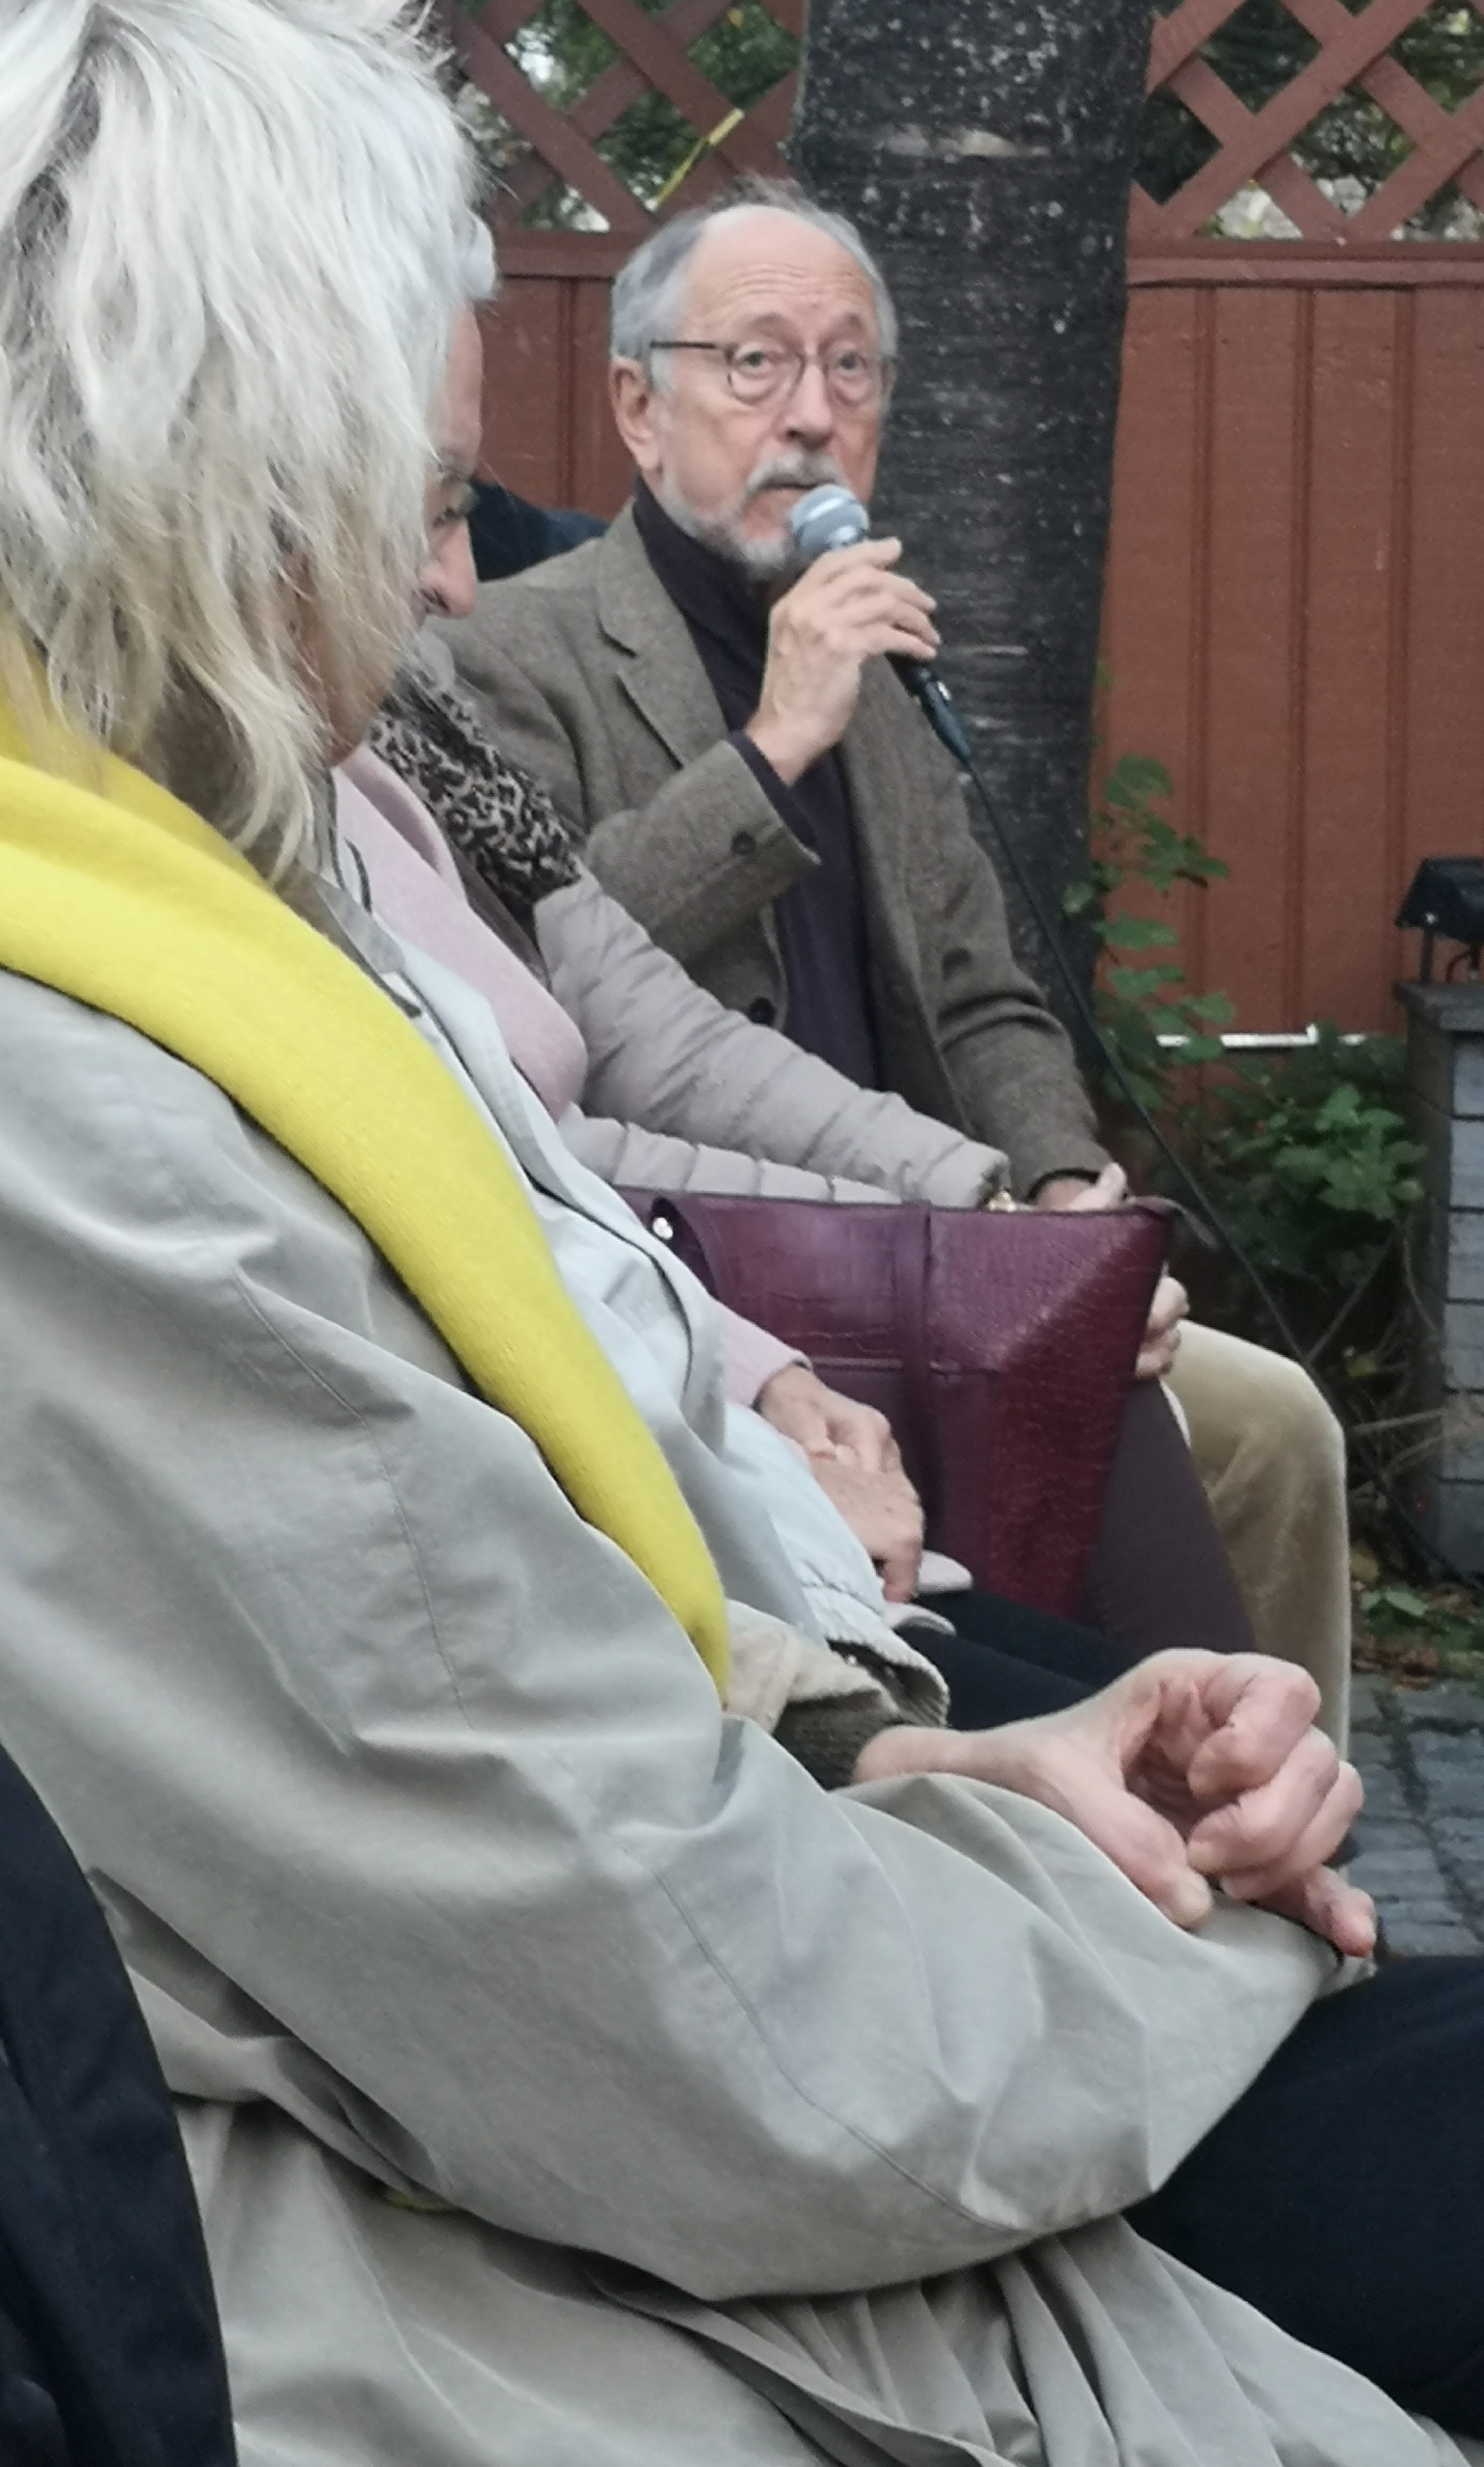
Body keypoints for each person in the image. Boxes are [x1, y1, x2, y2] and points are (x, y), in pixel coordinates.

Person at [0, 7, 1479, 2462]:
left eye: (849, 364)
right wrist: (1131, 1876)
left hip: (660, 1800)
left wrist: (1020, 1198)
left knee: (1218, 1439)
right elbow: (696, 2006)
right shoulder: (198, 950)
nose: (426, 570)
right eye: (408, 489)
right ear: (243, 480)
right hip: (455, 2232)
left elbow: (888, 1009)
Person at [439, 177, 1353, 1747]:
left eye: (850, 368)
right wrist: (771, 744)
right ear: (638, 409)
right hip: (715, 1260)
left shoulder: (877, 657)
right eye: (756, 363)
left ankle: (1282, 1806)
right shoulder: (503, 650)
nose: (811, 415)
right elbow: (554, 984)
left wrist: (1060, 1196)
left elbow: (986, 995)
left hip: (954, 1233)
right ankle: (1158, 1804)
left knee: (1282, 1427)